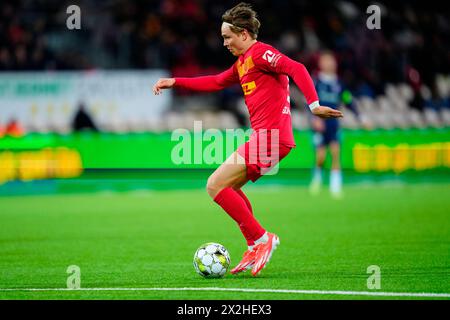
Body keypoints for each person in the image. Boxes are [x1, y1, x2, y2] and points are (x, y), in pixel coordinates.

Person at [152, 3, 343, 276]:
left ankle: (263, 239)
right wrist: (176, 81)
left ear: (243, 33)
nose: (224, 42)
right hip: (269, 139)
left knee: (214, 184)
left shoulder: (261, 53)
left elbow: (297, 68)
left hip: (272, 138)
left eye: (227, 37)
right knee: (229, 187)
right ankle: (254, 243)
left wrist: (313, 105)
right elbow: (217, 81)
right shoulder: (243, 62)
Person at [309, 51, 360, 198]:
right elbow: (309, 100)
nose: (330, 64)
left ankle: (335, 186)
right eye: (326, 61)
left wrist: (359, 116)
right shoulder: (317, 81)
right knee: (321, 157)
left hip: (334, 123)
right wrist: (314, 118)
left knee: (335, 153)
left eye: (331, 61)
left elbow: (347, 100)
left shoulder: (339, 83)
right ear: (321, 64)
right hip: (320, 122)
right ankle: (317, 178)